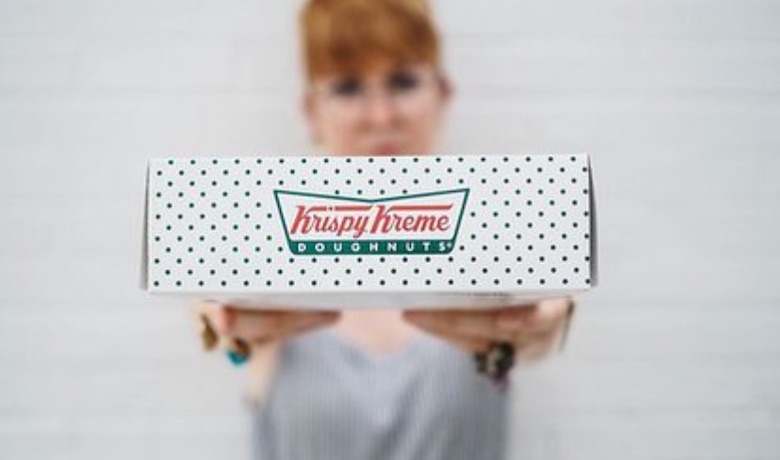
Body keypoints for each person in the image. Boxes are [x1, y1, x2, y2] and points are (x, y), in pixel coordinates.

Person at [196, 0, 576, 458]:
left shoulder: (495, 250)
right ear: (312, 111)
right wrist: (226, 328)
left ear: (443, 94)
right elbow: (220, 321)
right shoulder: (264, 260)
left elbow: (539, 334)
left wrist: (537, 329)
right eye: (348, 86)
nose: (380, 116)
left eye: (403, 81)